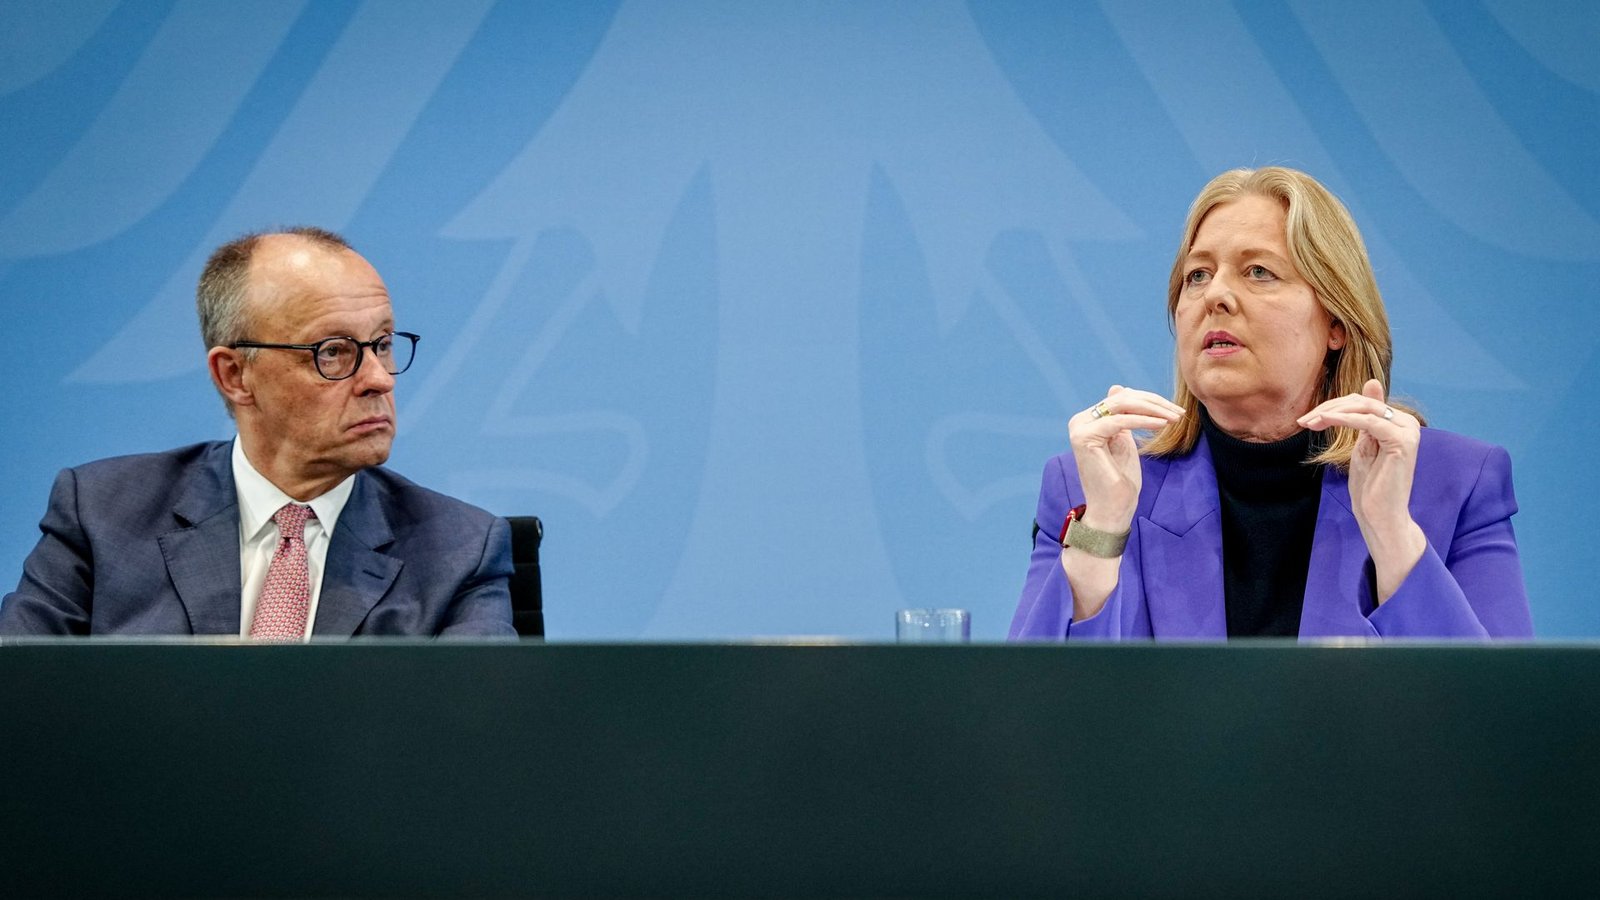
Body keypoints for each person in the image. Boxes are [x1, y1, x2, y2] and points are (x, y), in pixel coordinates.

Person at [1009, 167, 1532, 640]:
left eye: (1258, 271)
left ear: (1337, 322)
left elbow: (1501, 724)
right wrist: (1102, 535)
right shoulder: (1089, 487)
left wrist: (1393, 537)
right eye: (1197, 275)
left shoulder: (1455, 484)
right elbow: (1030, 717)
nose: (1216, 295)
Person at [0, 227, 515, 639]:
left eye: (381, 344)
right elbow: (19, 700)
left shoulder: (459, 551)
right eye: (333, 351)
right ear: (235, 375)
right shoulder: (102, 515)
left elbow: (478, 742)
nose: (378, 378)